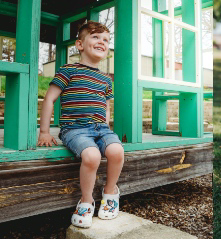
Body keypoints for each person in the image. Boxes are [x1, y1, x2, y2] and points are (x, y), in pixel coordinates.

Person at [37, 21, 124, 228]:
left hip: (101, 129)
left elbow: (106, 106)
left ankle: (110, 194)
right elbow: (49, 99)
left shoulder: (106, 80)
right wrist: (44, 131)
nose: (102, 42)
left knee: (117, 151)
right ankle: (86, 201)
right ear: (80, 44)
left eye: (106, 40)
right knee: (92, 156)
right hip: (74, 129)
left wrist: (106, 127)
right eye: (95, 37)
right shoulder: (68, 70)